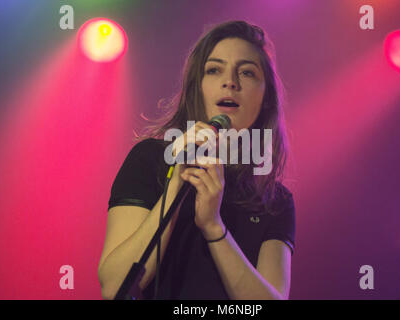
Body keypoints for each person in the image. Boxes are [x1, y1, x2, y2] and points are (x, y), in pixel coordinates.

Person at [98, 20, 296, 300]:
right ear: (197, 87)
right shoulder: (149, 159)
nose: (230, 81)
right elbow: (114, 286)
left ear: (265, 97)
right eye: (214, 70)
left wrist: (214, 227)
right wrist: (177, 180)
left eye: (247, 73)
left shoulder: (274, 200)